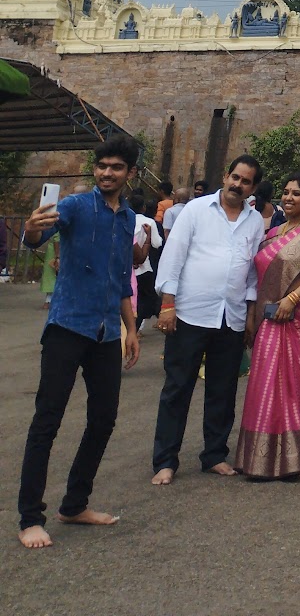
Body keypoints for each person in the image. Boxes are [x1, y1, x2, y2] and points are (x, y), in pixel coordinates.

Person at [17, 135, 144, 549]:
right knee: (47, 420)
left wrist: (131, 329)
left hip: (107, 331)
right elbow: (38, 236)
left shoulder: (128, 219)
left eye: (116, 167)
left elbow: (122, 279)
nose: (107, 173)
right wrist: (31, 231)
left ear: (129, 173)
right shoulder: (74, 206)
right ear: (95, 169)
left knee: (104, 419)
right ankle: (30, 518)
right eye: (102, 166)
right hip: (67, 327)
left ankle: (74, 504)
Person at [151, 154, 264, 485]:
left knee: (223, 390)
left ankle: (214, 455)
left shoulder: (255, 222)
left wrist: (250, 316)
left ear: (252, 188)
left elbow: (252, 274)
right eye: (235, 177)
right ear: (226, 176)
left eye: (245, 181)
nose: (237, 184)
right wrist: (167, 304)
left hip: (231, 316)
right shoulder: (196, 210)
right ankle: (165, 460)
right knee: (177, 388)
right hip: (190, 313)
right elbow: (174, 255)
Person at [234, 172, 300, 480]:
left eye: (297, 193)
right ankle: (260, 460)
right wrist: (252, 316)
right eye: (286, 192)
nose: (289, 198)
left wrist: (292, 299)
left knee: (298, 387)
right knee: (266, 386)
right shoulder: (274, 232)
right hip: (269, 319)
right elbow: (258, 278)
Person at [130, 192, 162, 329]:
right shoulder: (149, 222)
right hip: (144, 267)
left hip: (127, 268)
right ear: (143, 207)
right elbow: (157, 243)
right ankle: (135, 328)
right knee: (147, 299)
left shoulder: (124, 220)